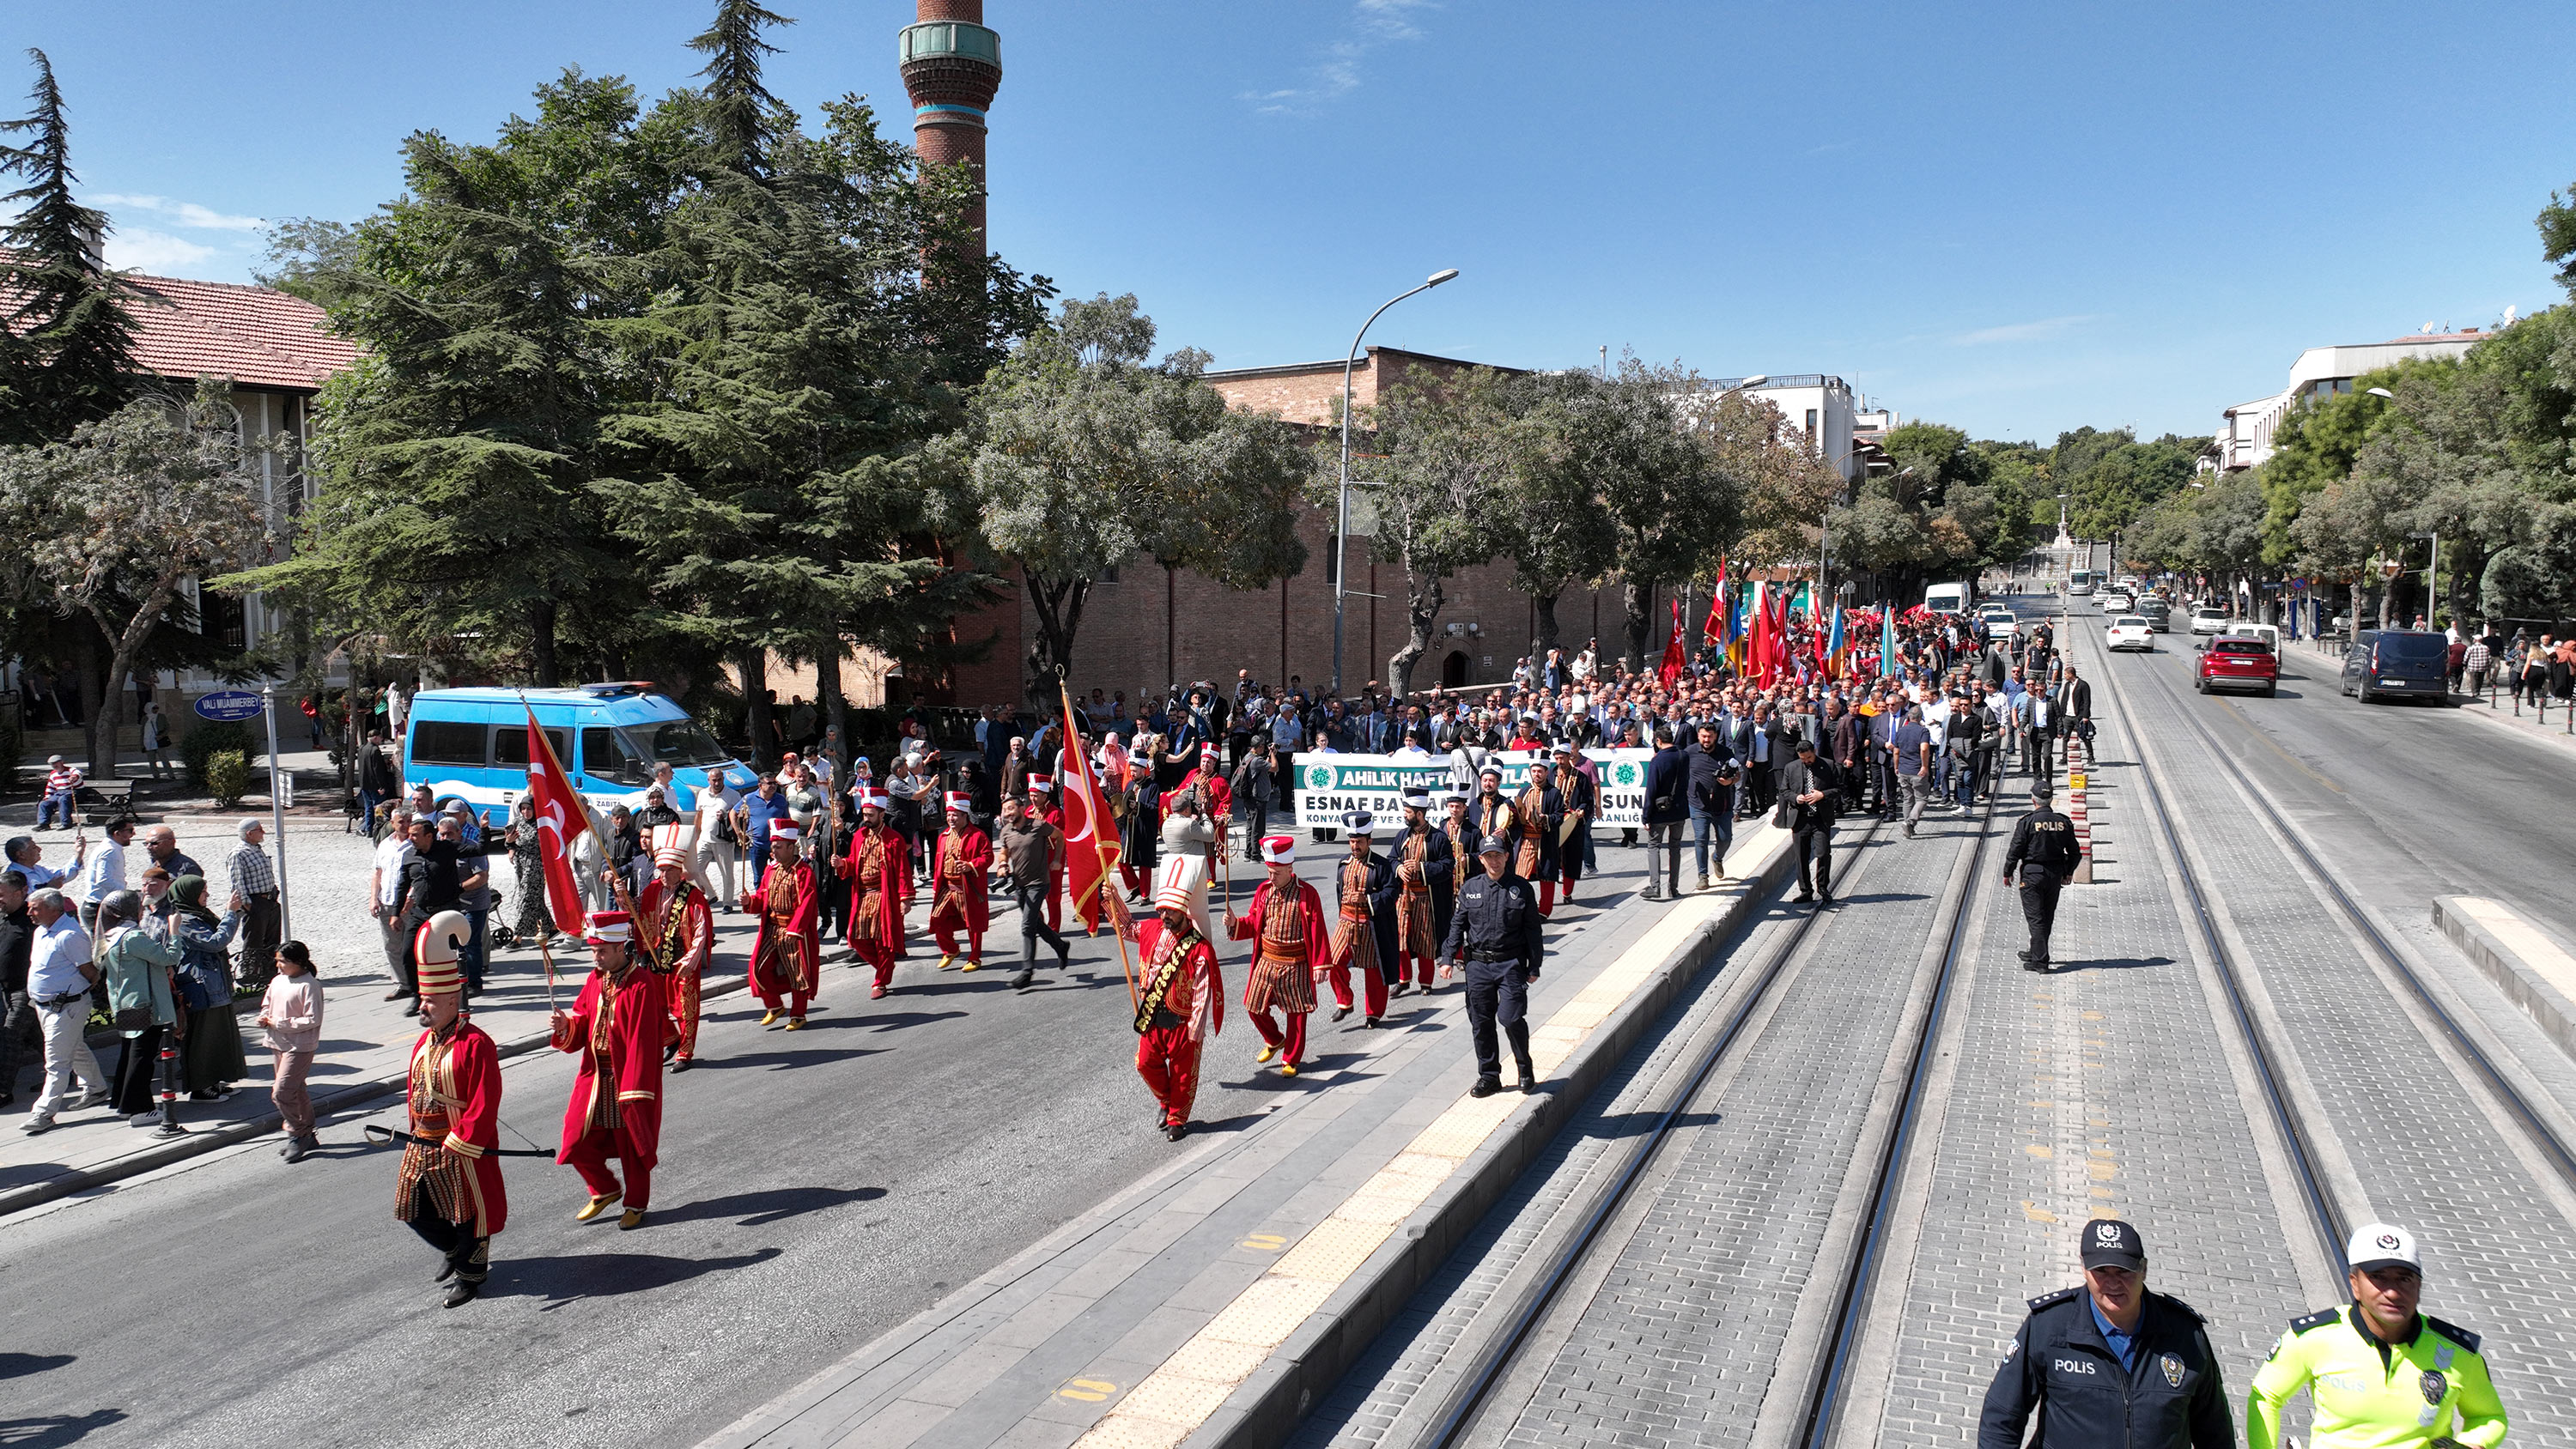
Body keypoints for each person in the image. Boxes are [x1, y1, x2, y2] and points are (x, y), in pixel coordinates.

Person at [2245, 1222, 2506, 1448]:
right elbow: (2266, 1397)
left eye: (2404, 1279)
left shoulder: (2458, 1352)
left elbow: (2489, 1416)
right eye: (2378, 1278)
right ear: (2355, 1284)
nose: (2392, 1292)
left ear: (2419, 1286)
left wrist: (2473, 1444)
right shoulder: (2313, 1338)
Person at [1976, 1218, 2231, 1449]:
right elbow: (2002, 1416)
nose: (2112, 1283)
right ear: (2084, 1268)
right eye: (2101, 1271)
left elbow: (2215, 1430)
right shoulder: (2049, 1326)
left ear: (2143, 1269)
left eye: (2123, 1271)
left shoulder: (2185, 1334)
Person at [396, 912, 507, 1307]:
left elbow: (485, 1098)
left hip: (460, 1143)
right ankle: (451, 1251)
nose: (423, 1007)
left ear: (451, 1001)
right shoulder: (424, 1041)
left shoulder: (477, 1043)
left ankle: (470, 1276)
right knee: (411, 1207)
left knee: (468, 1213)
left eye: (429, 1001)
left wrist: (465, 1139)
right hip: (423, 1142)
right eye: (422, 999)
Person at [551, 909, 666, 1232]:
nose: (596, 957)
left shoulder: (642, 984)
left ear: (620, 948)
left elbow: (645, 1042)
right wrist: (566, 1026)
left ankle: (635, 1203)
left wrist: (634, 1090)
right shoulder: (594, 979)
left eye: (601, 951)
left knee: (632, 1143)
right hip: (595, 1076)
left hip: (627, 1079)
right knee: (574, 1139)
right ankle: (605, 1188)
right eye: (593, 951)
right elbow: (582, 1022)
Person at [1115, 879, 1227, 1141]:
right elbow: (1127, 927)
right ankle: (1165, 1101)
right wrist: (1114, 900)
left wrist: (1196, 1028)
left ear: (1184, 911)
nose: (1164, 915)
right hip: (1153, 1016)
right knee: (1144, 1063)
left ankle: (1177, 1118)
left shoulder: (1199, 947)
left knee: (1182, 1074)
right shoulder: (1151, 929)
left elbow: (1202, 990)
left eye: (1170, 911)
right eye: (1161, 910)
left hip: (1182, 1022)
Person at [1443, 839, 1543, 1097]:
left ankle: (1524, 1067)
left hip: (1510, 964)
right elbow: (1458, 925)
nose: (1494, 861)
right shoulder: (1470, 888)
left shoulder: (1520, 889)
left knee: (1510, 1018)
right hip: (1477, 966)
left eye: (1498, 855)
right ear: (1481, 859)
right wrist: (1446, 958)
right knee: (1481, 1022)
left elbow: (1533, 928)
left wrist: (1535, 964)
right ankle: (1489, 1076)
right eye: (1489, 856)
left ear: (1507, 856)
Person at [1225, 836, 1330, 1076]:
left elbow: (1318, 928)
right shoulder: (1264, 891)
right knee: (1253, 1006)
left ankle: (1291, 1058)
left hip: (1296, 963)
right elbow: (1253, 922)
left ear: (1290, 869)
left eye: (1277, 873)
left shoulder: (1307, 894)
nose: (1272, 878)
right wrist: (1235, 923)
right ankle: (1274, 1040)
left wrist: (1320, 964)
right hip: (1267, 959)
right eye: (1270, 872)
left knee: (1297, 1014)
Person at [97, 888, 181, 1123]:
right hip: (145, 1005)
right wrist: (174, 931)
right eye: (138, 907)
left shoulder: (112, 934)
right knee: (142, 1059)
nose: (141, 910)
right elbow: (168, 957)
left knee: (129, 1055)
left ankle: (123, 1103)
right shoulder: (133, 937)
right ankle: (140, 1109)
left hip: (125, 1002)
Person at [167, 875, 247, 1102]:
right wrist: (231, 913)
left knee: (219, 1037)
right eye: (203, 891)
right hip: (200, 988)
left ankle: (215, 1080)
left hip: (214, 985)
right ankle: (201, 1088)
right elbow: (215, 942)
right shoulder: (184, 920)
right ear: (189, 894)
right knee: (202, 1040)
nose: (207, 895)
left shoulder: (199, 915)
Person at [636, 848, 714, 1070]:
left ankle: (685, 1054)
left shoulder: (693, 895)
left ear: (679, 870)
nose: (663, 874)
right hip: (657, 956)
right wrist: (621, 893)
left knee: (685, 1009)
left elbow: (701, 931)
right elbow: (635, 909)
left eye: (668, 869)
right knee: (652, 1005)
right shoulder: (652, 890)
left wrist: (691, 960)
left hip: (682, 958)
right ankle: (671, 1038)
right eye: (660, 869)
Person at [1322, 811, 1399, 1028]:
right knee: (1333, 960)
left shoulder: (1382, 866)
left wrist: (1367, 899)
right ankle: (1345, 1002)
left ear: (1369, 841)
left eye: (1359, 842)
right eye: (1352, 841)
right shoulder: (1343, 864)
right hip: (1346, 923)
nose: (1355, 846)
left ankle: (1373, 1014)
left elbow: (1391, 894)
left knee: (1374, 971)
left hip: (1371, 926)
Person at [744, 823, 820, 1029]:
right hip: (772, 928)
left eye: (778, 846)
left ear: (791, 847)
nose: (774, 851)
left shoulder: (803, 872)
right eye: (773, 846)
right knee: (757, 969)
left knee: (798, 973)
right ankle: (775, 1005)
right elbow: (762, 897)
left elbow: (807, 902)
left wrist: (795, 930)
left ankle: (798, 1014)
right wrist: (749, 902)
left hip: (793, 931)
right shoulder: (771, 870)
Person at [839, 791, 913, 1000]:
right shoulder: (859, 836)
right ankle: (884, 966)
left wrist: (905, 898)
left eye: (870, 815)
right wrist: (842, 864)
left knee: (884, 941)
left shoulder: (895, 840)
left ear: (882, 814)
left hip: (884, 896)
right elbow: (853, 862)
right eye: (864, 814)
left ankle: (880, 980)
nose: (866, 819)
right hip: (862, 896)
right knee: (856, 938)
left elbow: (902, 871)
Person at [2003, 784, 2083, 971]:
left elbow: (2015, 851)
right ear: (2051, 800)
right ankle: (2036, 951)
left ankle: (2040, 962)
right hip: (2055, 875)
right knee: (2046, 916)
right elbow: (2075, 852)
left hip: (2032, 875)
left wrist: (2008, 872)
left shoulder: (2027, 822)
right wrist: (2068, 872)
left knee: (2035, 918)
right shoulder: (2063, 821)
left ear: (2033, 800)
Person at [257, 940, 324, 1160]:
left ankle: (296, 1132)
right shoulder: (278, 981)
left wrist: (280, 1023)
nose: (279, 966)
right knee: (297, 1090)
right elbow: (267, 1003)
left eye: (283, 962)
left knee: (282, 1092)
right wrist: (264, 1017)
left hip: (299, 1046)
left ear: (298, 962)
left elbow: (313, 1019)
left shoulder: (309, 985)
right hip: (278, 1043)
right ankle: (308, 1132)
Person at [1388, 791, 1449, 993]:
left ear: (1419, 814)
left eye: (1407, 812)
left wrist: (1421, 868)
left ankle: (1426, 982)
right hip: (1403, 896)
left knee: (1425, 940)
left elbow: (1448, 866)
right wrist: (1398, 869)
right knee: (1400, 937)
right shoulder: (1402, 836)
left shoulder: (1439, 838)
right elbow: (1391, 859)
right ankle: (1403, 978)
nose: (1404, 815)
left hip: (1426, 898)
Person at [927, 793, 993, 973]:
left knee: (974, 924)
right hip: (947, 887)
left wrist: (971, 865)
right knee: (937, 918)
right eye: (948, 815)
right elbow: (938, 864)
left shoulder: (977, 836)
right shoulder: (943, 837)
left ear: (965, 815)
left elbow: (988, 857)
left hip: (968, 888)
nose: (951, 819)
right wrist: (935, 887)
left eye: (955, 815)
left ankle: (975, 958)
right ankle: (951, 950)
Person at [1773, 739, 1843, 905]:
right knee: (1801, 856)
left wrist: (1823, 795)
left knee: (1823, 853)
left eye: (1809, 757)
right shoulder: (1791, 767)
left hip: (1821, 818)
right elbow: (1784, 790)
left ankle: (1823, 887)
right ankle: (1806, 890)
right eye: (1803, 759)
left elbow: (1840, 788)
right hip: (1801, 819)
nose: (1806, 761)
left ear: (1815, 751)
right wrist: (1796, 798)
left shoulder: (1828, 765)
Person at [226, 818, 283, 995]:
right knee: (254, 941)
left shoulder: (257, 849)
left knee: (272, 940)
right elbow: (237, 881)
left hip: (270, 900)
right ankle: (251, 978)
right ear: (249, 833)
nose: (263, 832)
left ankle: (269, 977)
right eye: (259, 829)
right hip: (255, 902)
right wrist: (246, 904)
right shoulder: (238, 854)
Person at [1511, 759, 1566, 917]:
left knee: (1547, 877)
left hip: (1545, 840)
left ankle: (1544, 911)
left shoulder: (1554, 793)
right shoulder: (1524, 791)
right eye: (1534, 771)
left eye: (1540, 771)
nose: (1536, 774)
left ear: (1546, 773)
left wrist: (1545, 818)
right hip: (1526, 840)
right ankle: (1520, 908)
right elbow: (1518, 813)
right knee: (1520, 875)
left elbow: (1559, 816)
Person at [1642, 726, 1690, 901]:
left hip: (1660, 811)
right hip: (1679, 810)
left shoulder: (1657, 760)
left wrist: (1646, 815)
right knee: (1675, 848)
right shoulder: (1684, 756)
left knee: (1654, 846)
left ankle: (1655, 886)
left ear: (1658, 741)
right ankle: (1673, 887)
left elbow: (1651, 789)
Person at [1891, 704, 1935, 838]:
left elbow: (1896, 751)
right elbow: (1924, 748)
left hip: (1903, 769)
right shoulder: (1923, 731)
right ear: (1921, 717)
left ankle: (1907, 826)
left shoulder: (1901, 731)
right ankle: (1910, 822)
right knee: (1922, 799)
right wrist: (1925, 766)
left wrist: (1896, 767)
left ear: (1909, 717)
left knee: (1907, 799)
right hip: (1917, 770)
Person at [37, 755, 82, 830]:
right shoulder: (53, 774)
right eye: (52, 764)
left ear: (62, 762)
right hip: (59, 793)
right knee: (44, 804)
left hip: (74, 791)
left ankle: (66, 823)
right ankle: (43, 824)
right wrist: (48, 797)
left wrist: (74, 777)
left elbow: (78, 773)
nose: (54, 766)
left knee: (63, 799)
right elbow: (50, 787)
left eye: (56, 763)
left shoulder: (70, 770)